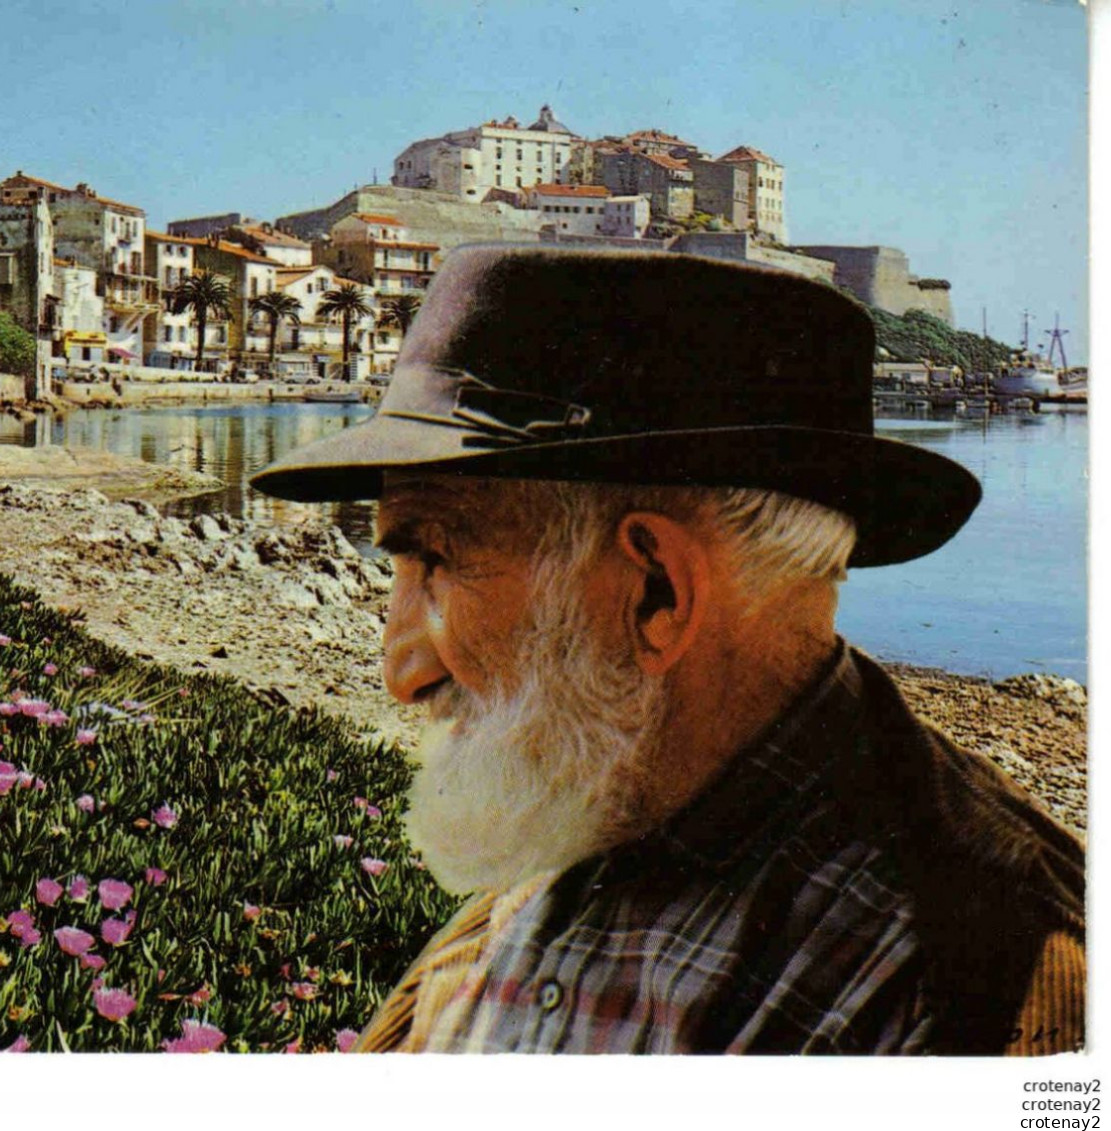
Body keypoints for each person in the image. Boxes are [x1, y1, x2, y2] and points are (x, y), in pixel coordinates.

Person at [249, 246, 1084, 1055]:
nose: (402, 671)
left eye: (434, 559)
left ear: (656, 594)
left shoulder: (987, 986)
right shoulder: (570, 830)